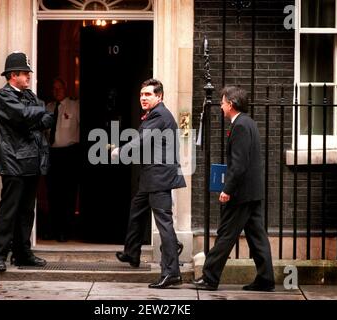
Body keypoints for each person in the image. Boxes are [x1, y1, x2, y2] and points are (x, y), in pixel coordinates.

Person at [193, 86, 275, 291]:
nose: (220, 106)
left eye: (222, 102)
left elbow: (239, 164)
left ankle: (210, 277)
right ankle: (266, 279)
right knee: (257, 237)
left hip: (241, 193)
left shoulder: (239, 126)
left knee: (225, 234)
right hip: (252, 192)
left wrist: (227, 189)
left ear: (230, 104)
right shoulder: (249, 123)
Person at [112, 78, 186, 289]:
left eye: (148, 95)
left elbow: (142, 140)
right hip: (150, 177)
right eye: (142, 94)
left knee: (164, 224)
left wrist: (121, 151)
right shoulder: (155, 114)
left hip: (159, 177)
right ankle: (132, 253)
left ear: (159, 97)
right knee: (137, 211)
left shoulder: (159, 115)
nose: (143, 98)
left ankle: (172, 272)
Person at [0, 52, 52, 272]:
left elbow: (45, 115)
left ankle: (22, 254)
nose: (28, 77)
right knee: (9, 210)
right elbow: (24, 115)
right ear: (13, 75)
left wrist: (34, 115)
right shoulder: (3, 96)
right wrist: (35, 114)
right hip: (14, 161)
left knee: (27, 211)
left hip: (32, 161)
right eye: (25, 73)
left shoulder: (29, 95)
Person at [45, 78, 80, 242]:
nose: (56, 91)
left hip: (70, 154)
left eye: (59, 88)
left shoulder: (75, 106)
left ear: (65, 89)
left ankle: (66, 230)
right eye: (54, 88)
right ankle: (52, 229)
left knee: (68, 194)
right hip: (52, 154)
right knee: (53, 193)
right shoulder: (49, 108)